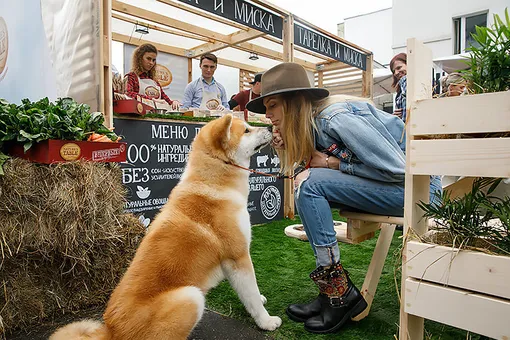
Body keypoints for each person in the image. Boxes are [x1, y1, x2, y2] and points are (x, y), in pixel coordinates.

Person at [245, 63, 441, 334]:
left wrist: (334, 164)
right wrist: (292, 146)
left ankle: (341, 294)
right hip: (401, 186)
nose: (268, 115)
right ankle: (331, 291)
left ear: (294, 103)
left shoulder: (335, 117)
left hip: (421, 190)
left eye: (272, 105)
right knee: (307, 183)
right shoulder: (312, 122)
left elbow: (400, 170)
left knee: (311, 184)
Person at [125, 43, 180, 111]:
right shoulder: (131, 77)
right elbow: (128, 94)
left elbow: (164, 98)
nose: (151, 63)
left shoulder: (154, 81)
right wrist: (152, 100)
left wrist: (173, 102)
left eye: (153, 60)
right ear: (139, 58)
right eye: (148, 59)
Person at [390, 53, 407, 122]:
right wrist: (394, 117)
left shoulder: (406, 80)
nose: (396, 73)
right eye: (393, 71)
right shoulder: (400, 89)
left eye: (399, 68)